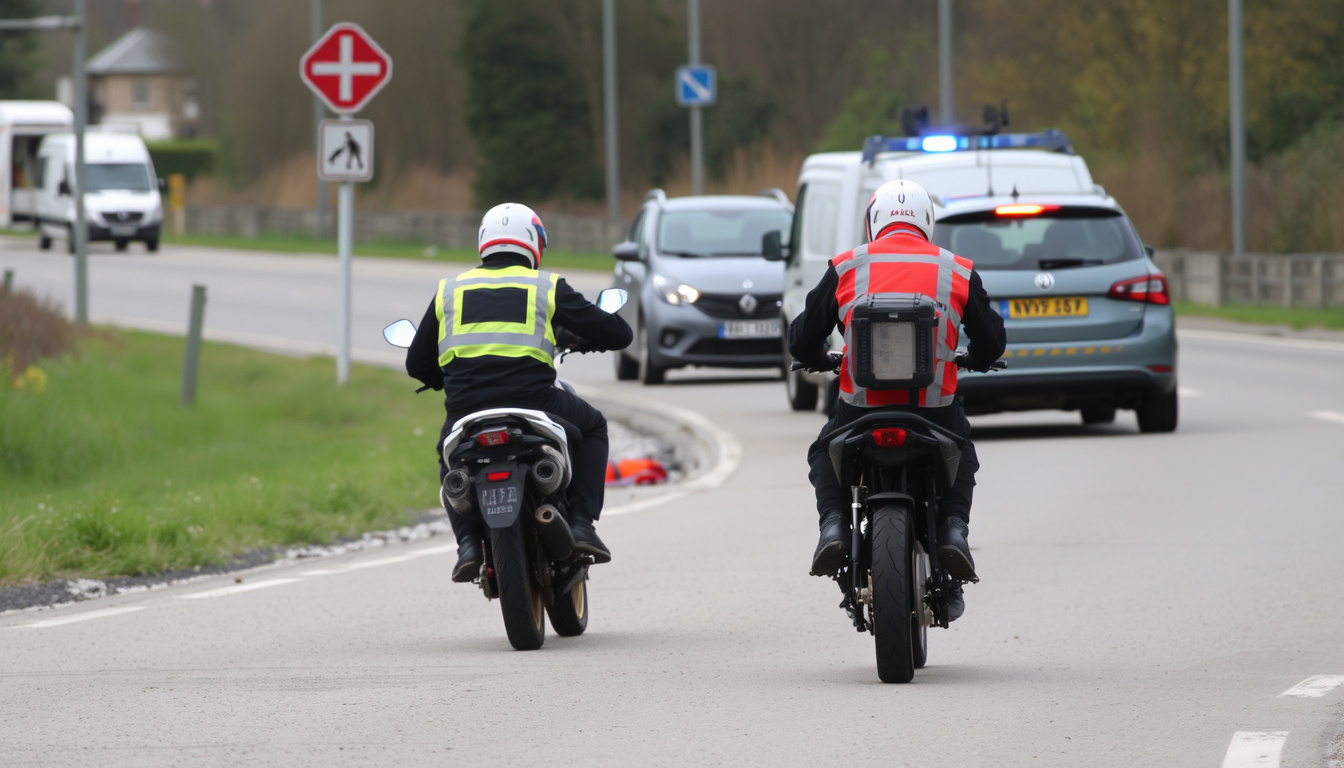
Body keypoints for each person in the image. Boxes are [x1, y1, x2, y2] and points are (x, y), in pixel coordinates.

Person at [788, 179, 1006, 621]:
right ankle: (952, 530)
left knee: (821, 450)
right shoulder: (956, 269)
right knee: (961, 449)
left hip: (859, 408)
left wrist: (816, 357)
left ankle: (833, 525)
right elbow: (992, 340)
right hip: (934, 409)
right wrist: (977, 358)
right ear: (927, 221)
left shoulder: (847, 266)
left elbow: (803, 337)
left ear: (872, 222)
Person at [405, 203, 633, 583]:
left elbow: (417, 363)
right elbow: (620, 333)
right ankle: (580, 524)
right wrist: (589, 338)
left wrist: (449, 376)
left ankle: (467, 546)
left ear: (483, 243)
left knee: (449, 458)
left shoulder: (450, 290)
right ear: (535, 244)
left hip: (466, 408)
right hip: (536, 401)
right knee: (593, 428)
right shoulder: (546, 286)